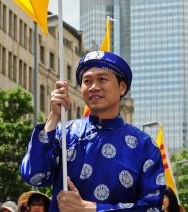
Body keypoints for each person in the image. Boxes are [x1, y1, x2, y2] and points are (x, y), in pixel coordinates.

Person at [21, 51, 166, 211]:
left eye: (102, 79)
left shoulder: (144, 145)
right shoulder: (65, 133)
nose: (94, 87)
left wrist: (90, 208)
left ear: (122, 87)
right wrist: (54, 116)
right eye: (87, 81)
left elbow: (152, 206)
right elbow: (34, 176)